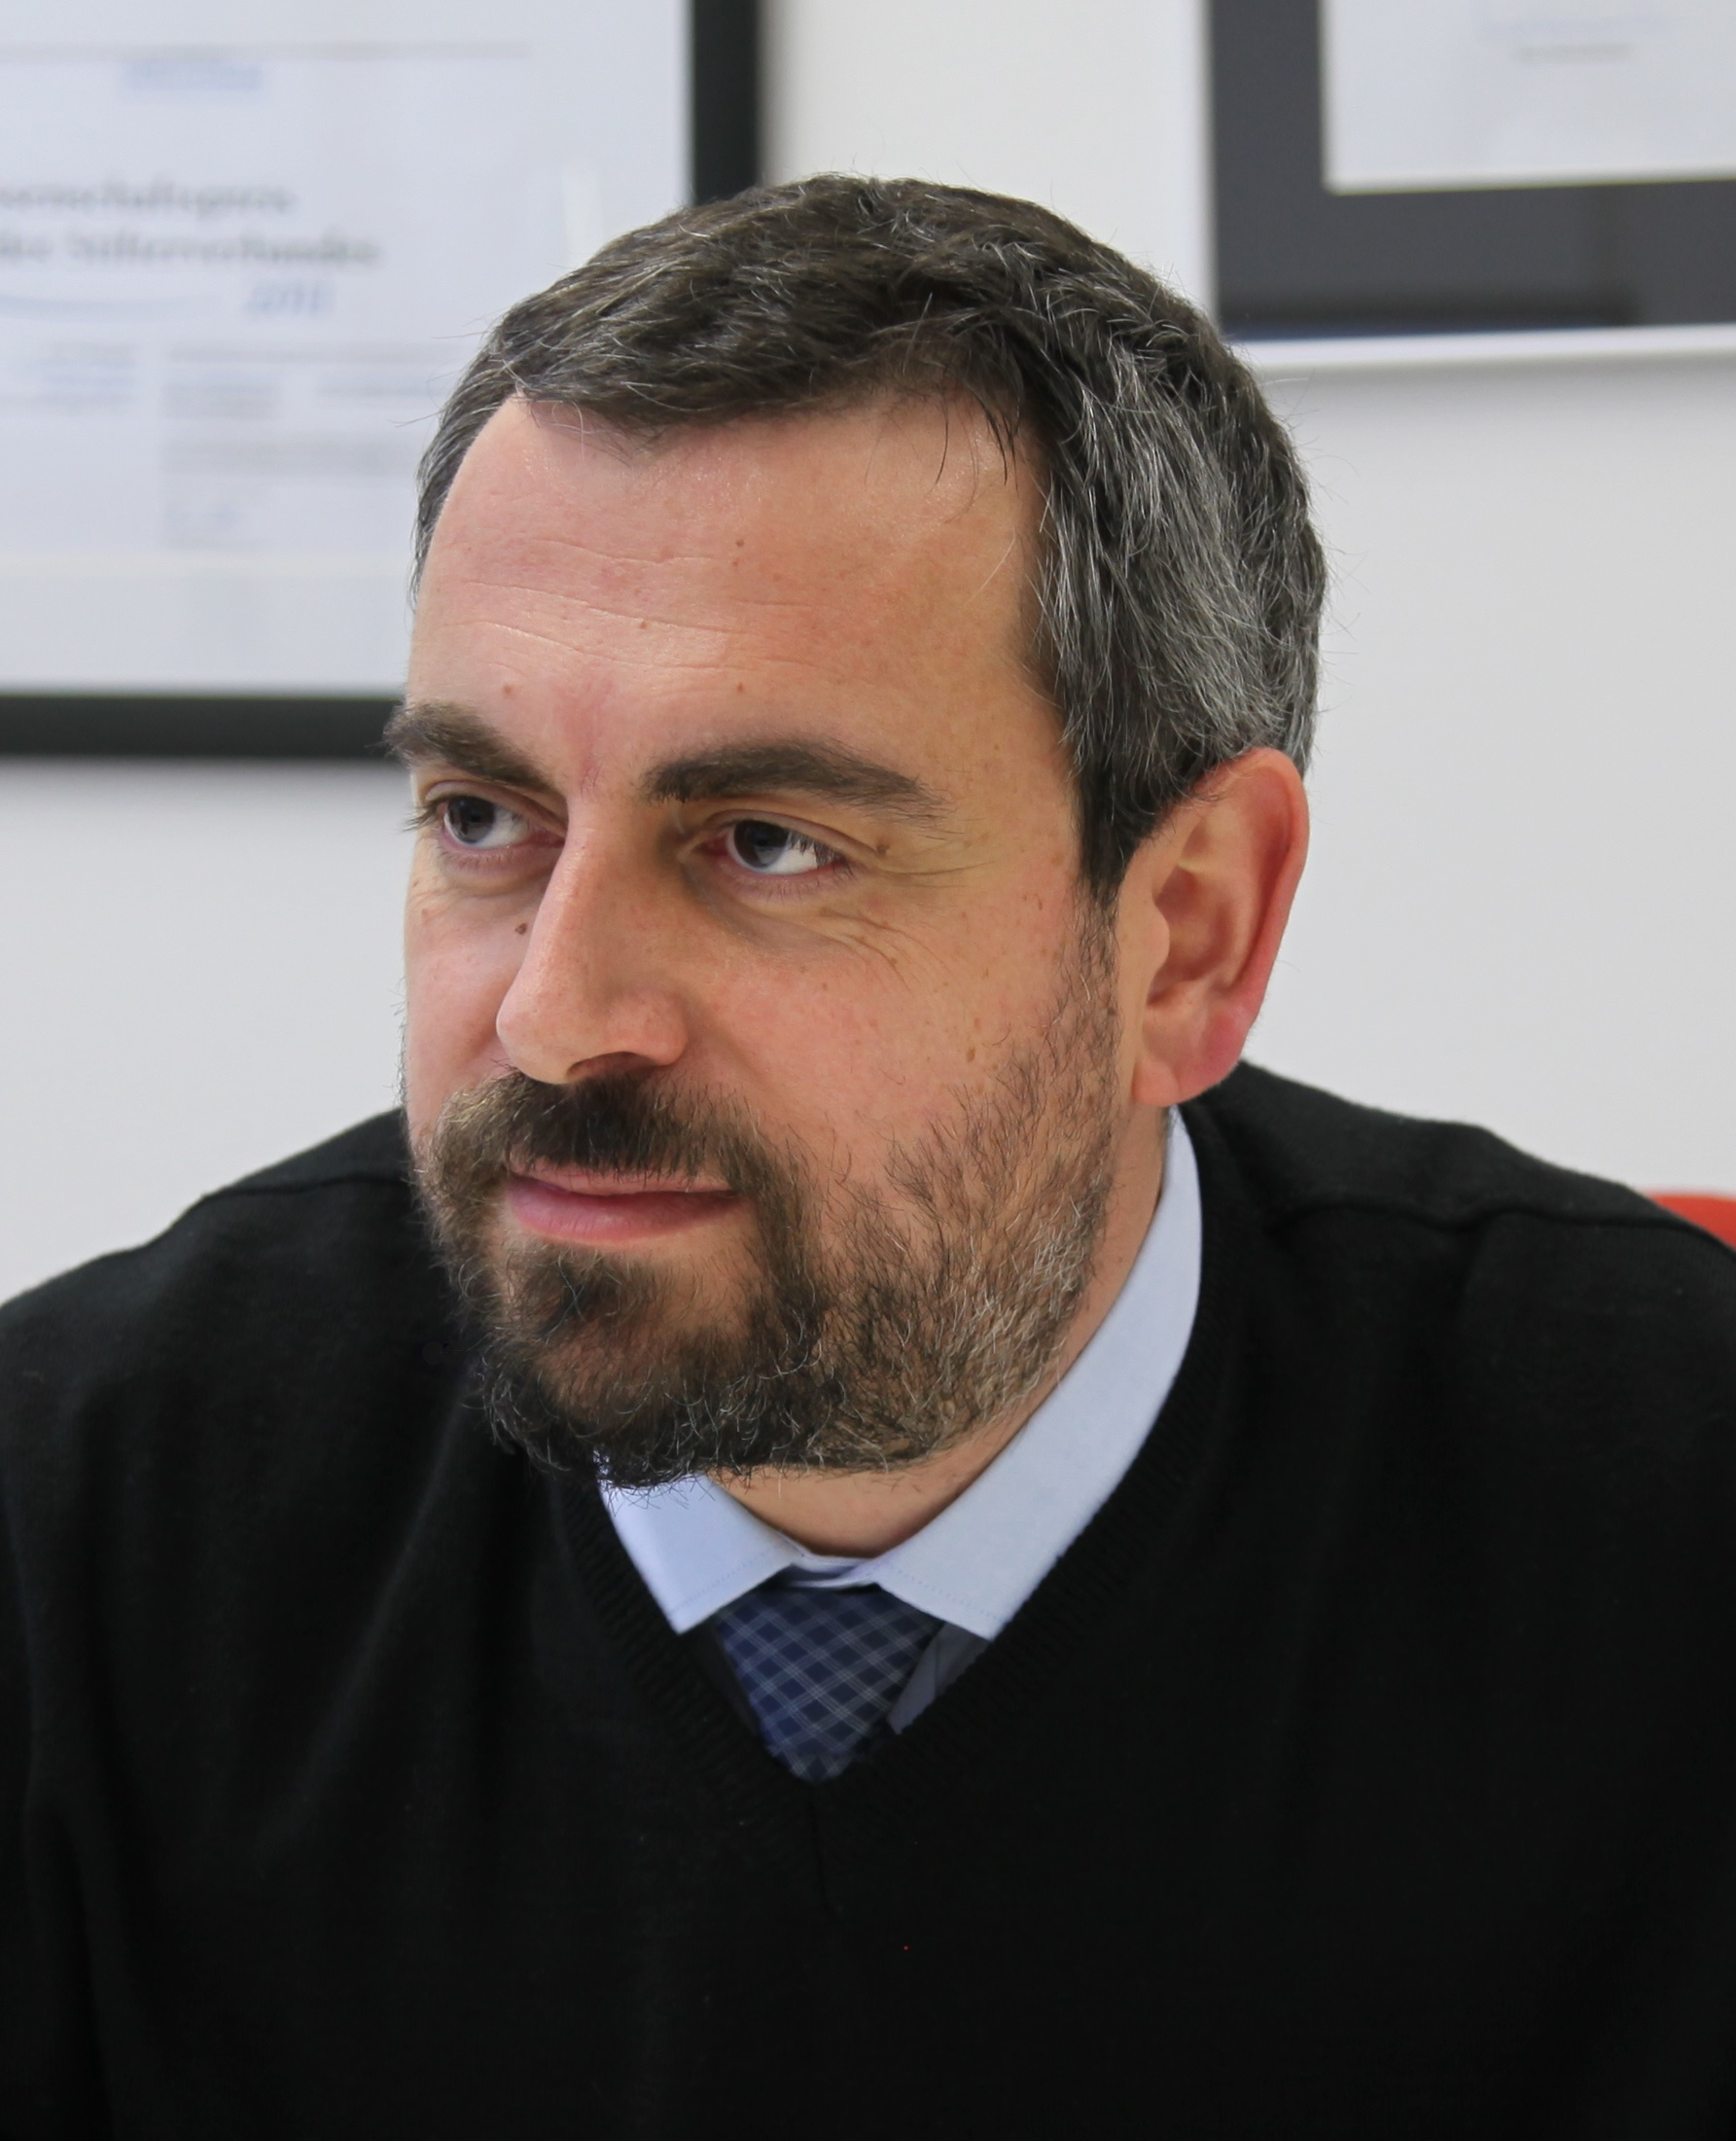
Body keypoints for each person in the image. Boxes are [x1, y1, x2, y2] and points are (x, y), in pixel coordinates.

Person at [3, 176, 1735, 2141]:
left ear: (1183, 933)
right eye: (483, 815)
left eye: (766, 843)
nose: (555, 1017)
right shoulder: (81, 1526)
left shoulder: (1669, 1519)